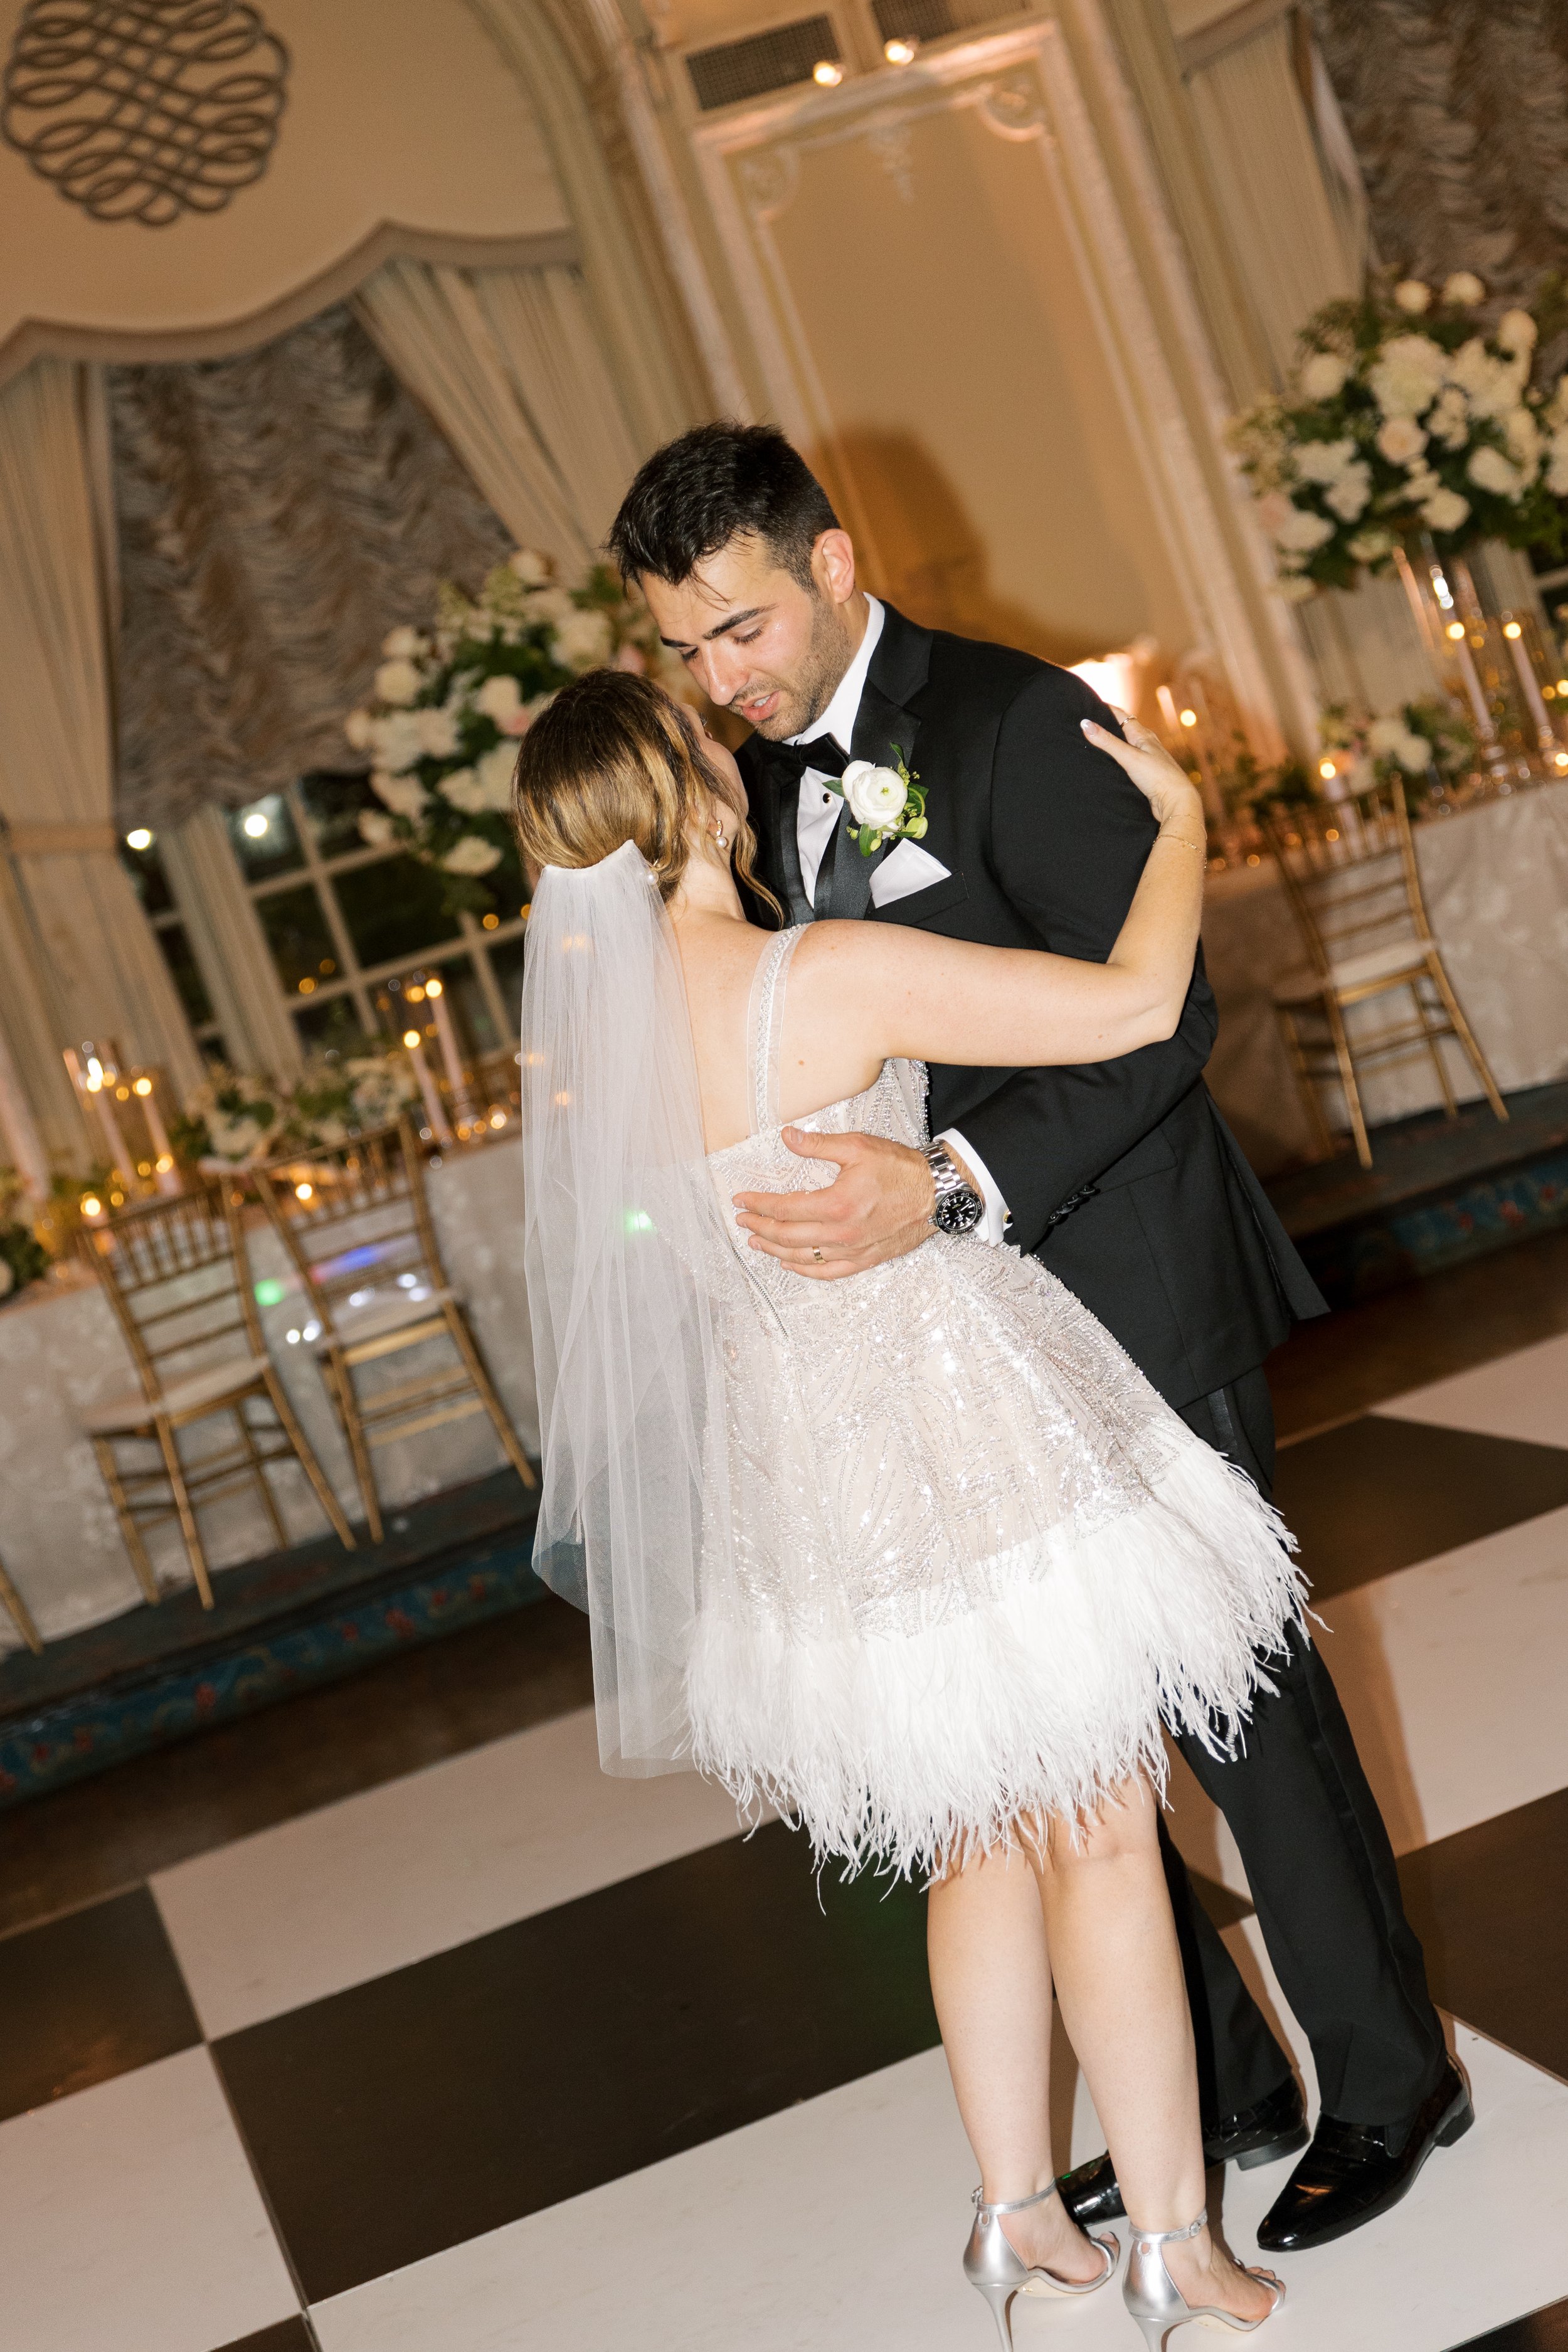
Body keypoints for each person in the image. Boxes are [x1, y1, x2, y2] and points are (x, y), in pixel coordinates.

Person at [603, 422, 1469, 2259]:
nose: (721, 678)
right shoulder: (748, 789)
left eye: (743, 627)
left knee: (1240, 1709)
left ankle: (1391, 2083)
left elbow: (1165, 1018)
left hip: (1124, 1277)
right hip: (949, 1353)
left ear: (834, 565)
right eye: (684, 648)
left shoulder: (1012, 721)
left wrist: (950, 1187)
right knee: (1054, 1730)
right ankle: (1211, 2083)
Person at [516, 660, 1294, 2346]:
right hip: (957, 1432)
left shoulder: (603, 1070)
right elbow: (1132, 1005)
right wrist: (1177, 823)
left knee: (975, 1837)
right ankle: (1173, 2241)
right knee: (1099, 1827)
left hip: (803, 1493)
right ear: (697, 795)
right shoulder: (819, 974)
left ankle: (1014, 2213)